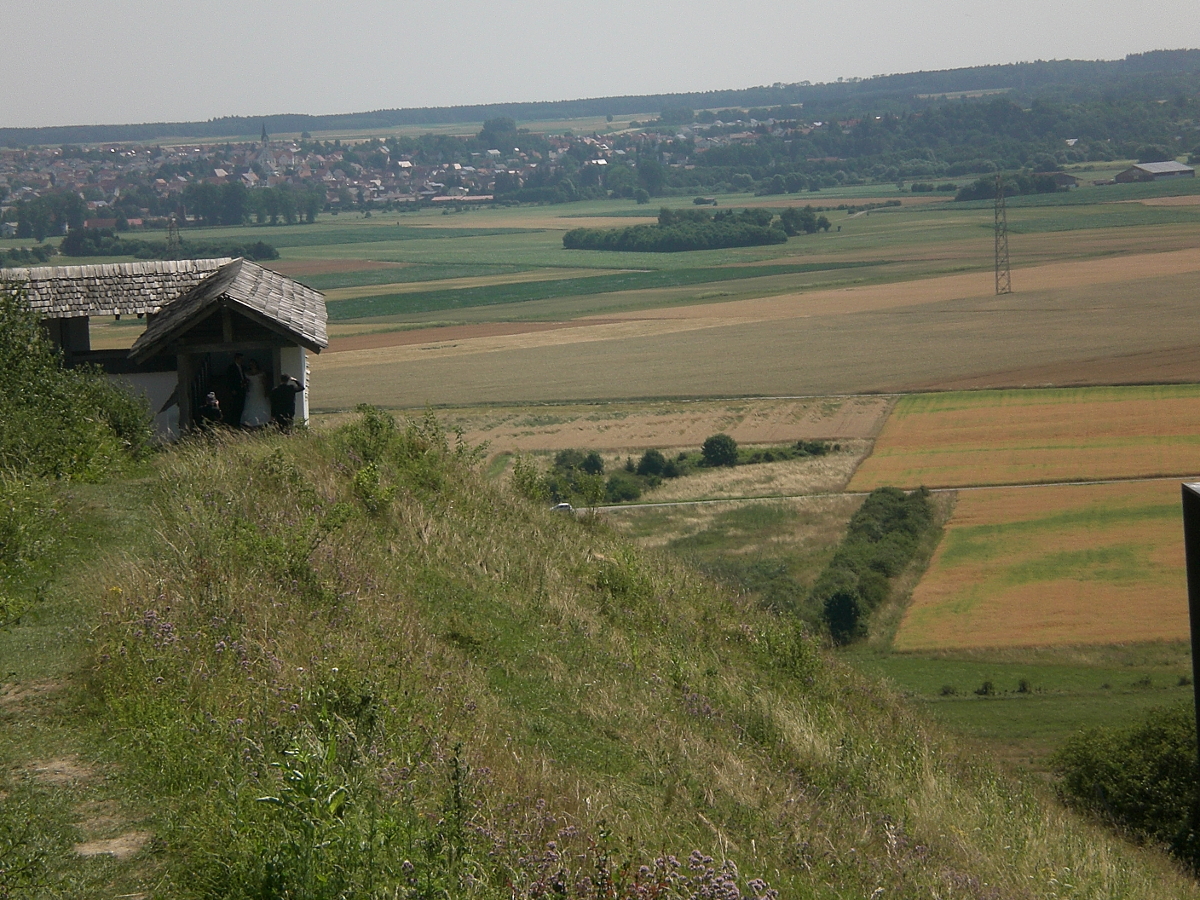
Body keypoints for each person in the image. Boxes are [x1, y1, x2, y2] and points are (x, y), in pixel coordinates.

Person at [240, 359, 272, 427]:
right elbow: (245, 381)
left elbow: (265, 382)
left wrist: (265, 390)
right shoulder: (247, 373)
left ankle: (263, 419)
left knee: (261, 403)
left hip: (260, 389)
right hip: (251, 389)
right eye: (251, 364)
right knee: (251, 404)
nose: (252, 365)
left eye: (253, 364)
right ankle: (251, 421)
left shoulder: (261, 373)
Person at [223, 352, 247, 427]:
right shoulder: (231, 368)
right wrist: (232, 389)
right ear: (236, 359)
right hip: (235, 390)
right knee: (235, 406)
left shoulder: (243, 367)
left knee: (242, 405)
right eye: (241, 359)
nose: (242, 361)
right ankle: (233, 422)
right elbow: (229, 379)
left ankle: (240, 421)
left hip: (242, 388)